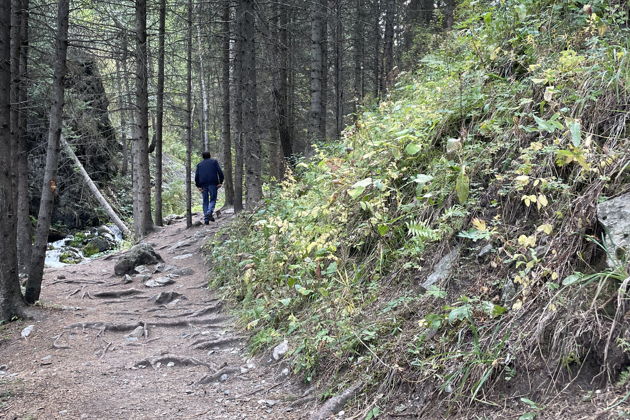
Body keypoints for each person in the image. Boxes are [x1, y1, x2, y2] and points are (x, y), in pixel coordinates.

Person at [194, 151, 224, 224]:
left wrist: (198, 186)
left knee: (205, 201)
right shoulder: (214, 162)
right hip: (213, 183)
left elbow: (196, 176)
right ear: (210, 155)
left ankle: (206, 219)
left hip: (203, 184)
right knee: (213, 199)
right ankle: (209, 212)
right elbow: (219, 172)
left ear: (202, 157)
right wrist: (220, 182)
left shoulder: (199, 164)